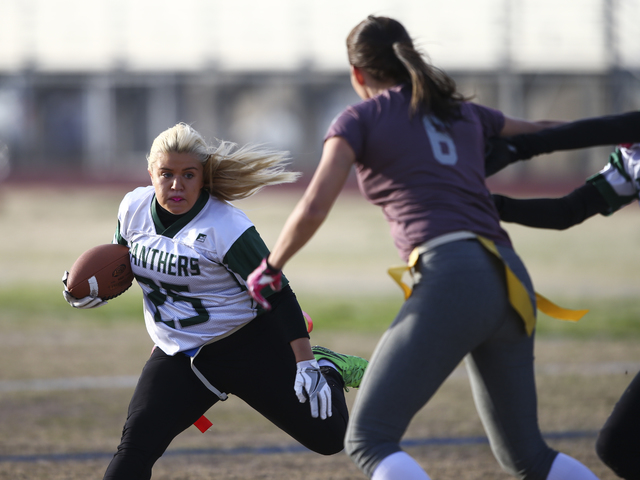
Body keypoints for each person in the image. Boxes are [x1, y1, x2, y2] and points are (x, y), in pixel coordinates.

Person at [246, 14, 600, 480]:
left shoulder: (360, 117)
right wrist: (618, 135)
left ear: (358, 74)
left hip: (452, 276)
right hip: (510, 277)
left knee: (368, 439)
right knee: (527, 456)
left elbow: (313, 206)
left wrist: (272, 265)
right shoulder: (460, 110)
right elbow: (543, 132)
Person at [61, 123, 368, 480]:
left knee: (329, 438)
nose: (177, 185)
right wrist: (90, 288)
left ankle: (328, 365)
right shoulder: (133, 208)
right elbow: (126, 267)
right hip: (178, 356)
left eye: (188, 175)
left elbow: (279, 293)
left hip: (247, 344)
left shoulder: (226, 228)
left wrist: (305, 363)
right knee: (135, 449)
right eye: (166, 174)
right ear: (151, 173)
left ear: (203, 176)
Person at [488, 117, 640, 480]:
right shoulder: (631, 160)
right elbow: (567, 212)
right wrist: (492, 205)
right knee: (619, 448)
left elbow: (596, 130)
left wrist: (516, 147)